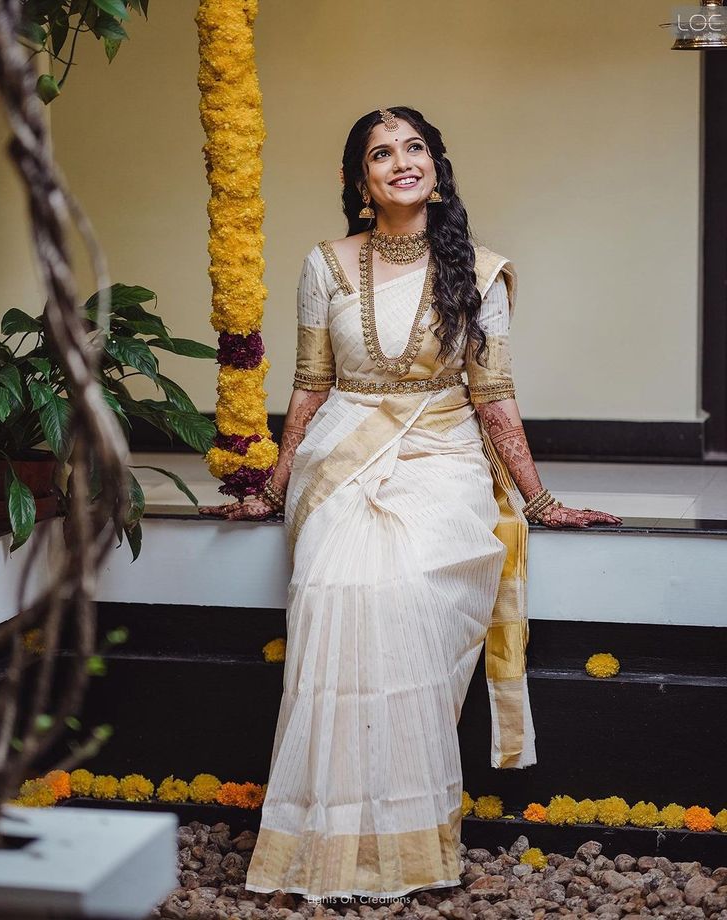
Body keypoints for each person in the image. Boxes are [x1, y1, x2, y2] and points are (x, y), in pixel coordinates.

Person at [199, 106, 622, 902]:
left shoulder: (482, 270)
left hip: (443, 451)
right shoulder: (325, 263)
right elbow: (309, 384)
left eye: (415, 148)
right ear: (357, 182)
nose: (402, 162)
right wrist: (273, 483)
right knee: (332, 590)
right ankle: (328, 838)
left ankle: (408, 841)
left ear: (437, 163)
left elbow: (493, 396)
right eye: (381, 153)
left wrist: (541, 501)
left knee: (404, 593)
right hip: (343, 451)